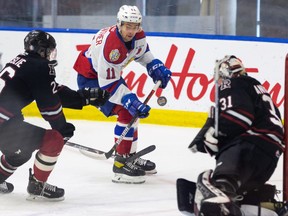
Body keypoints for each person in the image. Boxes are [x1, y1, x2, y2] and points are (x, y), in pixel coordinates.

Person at [0, 30, 109, 201]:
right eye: (49, 50)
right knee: (53, 139)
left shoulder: (22, 62)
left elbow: (51, 90)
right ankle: (38, 185)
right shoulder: (40, 67)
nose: (51, 54)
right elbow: (49, 107)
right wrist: (62, 129)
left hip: (6, 121)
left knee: (20, 151)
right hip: (4, 125)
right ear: (41, 50)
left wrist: (82, 99)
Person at [73, 5, 171, 184]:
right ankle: (120, 165)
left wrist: (154, 66)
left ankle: (129, 156)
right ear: (119, 24)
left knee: (132, 111)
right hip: (91, 80)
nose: (132, 30)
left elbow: (142, 54)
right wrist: (130, 100)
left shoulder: (138, 35)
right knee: (127, 110)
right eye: (128, 26)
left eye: (136, 26)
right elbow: (108, 83)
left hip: (108, 77)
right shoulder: (111, 46)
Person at [188, 55, 284, 215]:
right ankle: (264, 205)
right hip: (269, 157)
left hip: (247, 148)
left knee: (217, 187)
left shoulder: (232, 83)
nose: (219, 84)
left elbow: (239, 118)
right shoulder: (256, 88)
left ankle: (222, 201)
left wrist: (216, 135)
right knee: (241, 195)